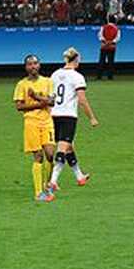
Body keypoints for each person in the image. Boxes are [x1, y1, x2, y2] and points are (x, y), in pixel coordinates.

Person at [46, 47, 99, 190]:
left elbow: (50, 96)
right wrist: (92, 117)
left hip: (54, 114)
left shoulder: (55, 74)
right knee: (62, 148)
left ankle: (79, 176)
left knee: (69, 147)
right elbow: (82, 99)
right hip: (68, 116)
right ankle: (53, 180)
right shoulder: (77, 77)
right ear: (76, 60)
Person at [13, 55, 56, 202]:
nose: (33, 66)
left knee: (50, 154)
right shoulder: (21, 85)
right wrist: (40, 104)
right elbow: (19, 106)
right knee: (38, 156)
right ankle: (39, 193)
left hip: (47, 121)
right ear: (26, 67)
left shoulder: (48, 82)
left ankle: (47, 184)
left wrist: (36, 97)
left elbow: (52, 102)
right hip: (31, 122)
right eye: (30, 64)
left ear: (39, 65)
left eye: (35, 63)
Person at [97, 15, 121, 80]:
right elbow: (117, 38)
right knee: (111, 62)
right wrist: (111, 42)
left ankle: (99, 76)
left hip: (104, 46)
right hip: (112, 47)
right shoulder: (117, 28)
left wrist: (105, 42)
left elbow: (100, 36)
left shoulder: (103, 27)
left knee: (101, 61)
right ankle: (110, 76)